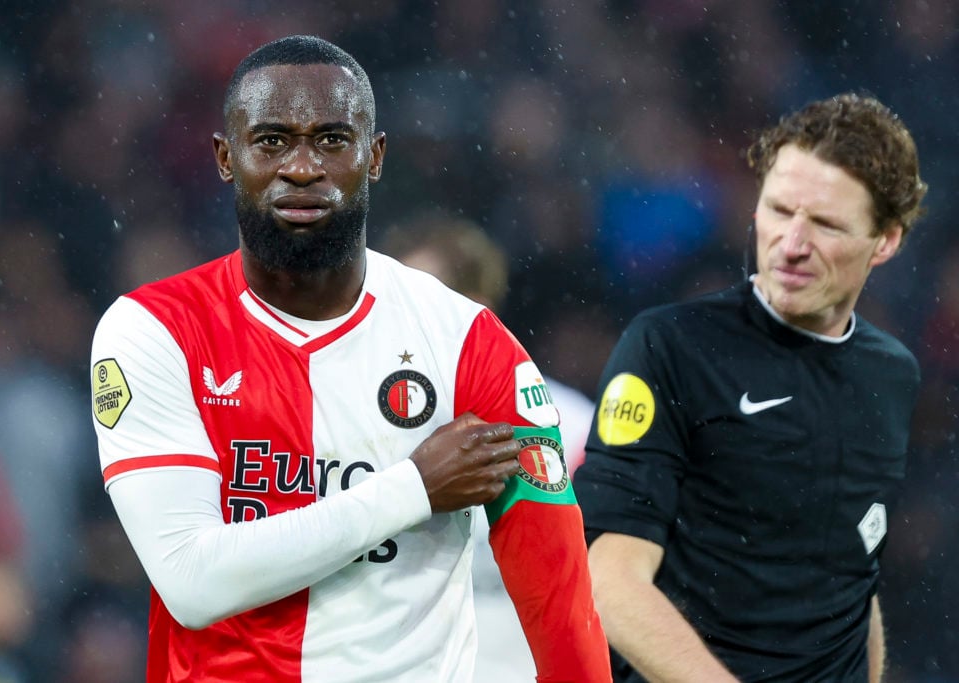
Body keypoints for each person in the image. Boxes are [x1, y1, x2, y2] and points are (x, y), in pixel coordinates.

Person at [89, 35, 609, 682]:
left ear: (376, 156)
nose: (302, 167)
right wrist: (414, 486)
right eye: (272, 141)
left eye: (332, 139)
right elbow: (194, 582)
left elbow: (561, 604)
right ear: (226, 158)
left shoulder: (470, 342)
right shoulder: (152, 331)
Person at [574, 92, 926, 682]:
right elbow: (608, 580)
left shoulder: (892, 374)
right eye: (780, 210)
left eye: (827, 224)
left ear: (885, 241)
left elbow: (854, 577)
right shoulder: (670, 348)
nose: (792, 243)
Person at [381, 216, 598, 681]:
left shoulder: (569, 425)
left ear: (477, 308)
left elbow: (588, 580)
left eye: (421, 301)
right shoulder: (366, 421)